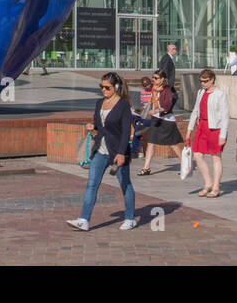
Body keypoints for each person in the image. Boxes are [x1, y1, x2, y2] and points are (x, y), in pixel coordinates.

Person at [67, 73, 137, 231]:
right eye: (102, 87)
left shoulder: (123, 105)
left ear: (116, 88)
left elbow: (126, 131)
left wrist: (121, 153)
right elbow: (99, 124)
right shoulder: (99, 103)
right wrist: (93, 128)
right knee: (91, 184)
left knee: (125, 184)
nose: (103, 90)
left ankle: (130, 218)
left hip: (117, 151)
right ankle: (84, 219)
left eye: (107, 87)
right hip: (100, 150)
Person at [186, 68, 228, 197]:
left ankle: (216, 186)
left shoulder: (220, 94)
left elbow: (225, 115)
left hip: (215, 128)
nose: (203, 84)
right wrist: (189, 129)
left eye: (205, 81)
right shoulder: (200, 92)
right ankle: (208, 183)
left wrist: (223, 134)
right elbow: (195, 111)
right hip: (202, 126)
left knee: (215, 157)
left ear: (212, 80)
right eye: (201, 81)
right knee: (197, 155)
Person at [137, 69, 185, 175]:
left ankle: (184, 164)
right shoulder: (154, 88)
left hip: (166, 120)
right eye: (153, 78)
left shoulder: (167, 90)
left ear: (162, 79)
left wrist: (156, 110)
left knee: (173, 144)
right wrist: (150, 103)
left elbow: (167, 105)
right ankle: (146, 168)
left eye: (156, 78)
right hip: (156, 119)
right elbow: (154, 100)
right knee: (151, 143)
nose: (153, 80)